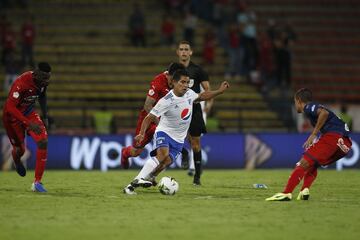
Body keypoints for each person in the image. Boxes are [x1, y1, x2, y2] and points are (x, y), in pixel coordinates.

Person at [123, 69, 229, 195]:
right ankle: (136, 181)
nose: (185, 85)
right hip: (164, 132)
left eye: (187, 82)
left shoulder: (189, 93)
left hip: (179, 138)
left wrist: (219, 92)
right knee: (162, 155)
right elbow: (148, 118)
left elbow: (201, 96)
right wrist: (141, 133)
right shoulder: (166, 101)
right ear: (173, 82)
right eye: (182, 82)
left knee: (166, 161)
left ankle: (144, 180)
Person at [266, 88, 352, 201]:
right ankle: (304, 190)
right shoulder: (314, 109)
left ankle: (286, 193)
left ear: (298, 100)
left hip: (333, 137)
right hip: (345, 144)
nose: (295, 104)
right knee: (313, 164)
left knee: (303, 162)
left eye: (294, 102)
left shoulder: (308, 107)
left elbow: (324, 113)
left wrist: (313, 134)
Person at [121, 62, 185, 169]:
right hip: (149, 119)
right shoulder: (159, 81)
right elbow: (147, 105)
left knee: (164, 152)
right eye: (172, 80)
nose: (173, 83)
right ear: (168, 74)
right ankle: (125, 153)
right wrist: (158, 122)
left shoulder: (179, 83)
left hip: (164, 121)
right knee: (137, 151)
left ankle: (150, 176)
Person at [2, 62, 52, 192]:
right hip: (12, 118)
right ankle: (17, 161)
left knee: (43, 141)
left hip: (29, 113)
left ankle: (37, 182)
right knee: (20, 151)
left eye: (48, 78)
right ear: (36, 74)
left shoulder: (42, 83)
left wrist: (45, 116)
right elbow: (10, 108)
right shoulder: (22, 83)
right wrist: (28, 124)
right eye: (44, 78)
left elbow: (42, 96)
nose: (46, 81)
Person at [176, 40, 213, 185]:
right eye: (181, 49)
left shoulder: (198, 70)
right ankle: (184, 153)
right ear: (177, 52)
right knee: (176, 138)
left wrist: (210, 102)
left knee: (196, 143)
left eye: (186, 49)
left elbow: (207, 90)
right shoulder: (173, 70)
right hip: (177, 109)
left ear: (190, 52)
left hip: (194, 109)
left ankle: (197, 176)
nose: (184, 52)